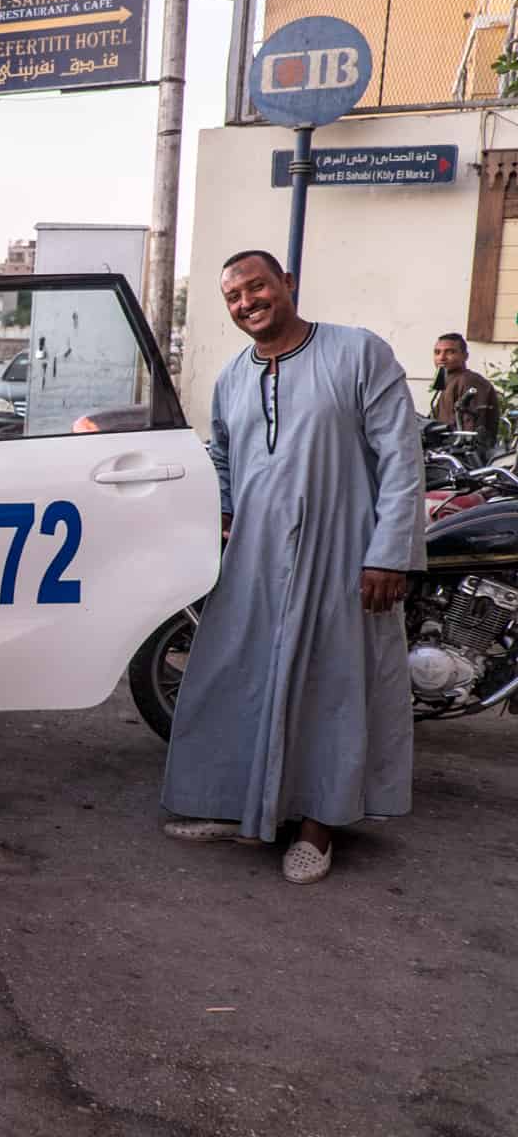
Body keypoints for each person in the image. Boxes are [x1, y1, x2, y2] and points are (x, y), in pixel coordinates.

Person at [160, 249, 425, 885]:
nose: (246, 301)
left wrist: (389, 553)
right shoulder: (230, 378)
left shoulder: (359, 352)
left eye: (257, 287)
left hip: (343, 555)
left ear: (288, 285)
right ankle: (235, 805)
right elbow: (223, 461)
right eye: (233, 295)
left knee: (333, 687)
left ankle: (319, 825)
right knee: (236, 675)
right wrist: (201, 526)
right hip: (254, 557)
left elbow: (400, 455)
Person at [429, 332, 500, 458]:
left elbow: (471, 430)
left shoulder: (469, 380)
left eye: (450, 352)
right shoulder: (449, 381)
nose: (442, 357)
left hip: (466, 456)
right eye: (437, 352)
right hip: (444, 450)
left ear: (465, 356)